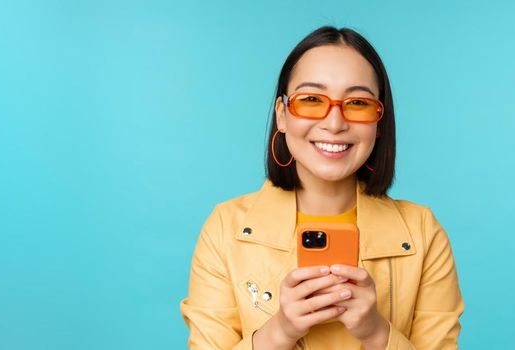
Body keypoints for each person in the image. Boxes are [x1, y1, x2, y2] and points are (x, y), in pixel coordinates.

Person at [179, 26, 464, 350]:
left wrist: (375, 332)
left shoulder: (422, 233)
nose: (334, 122)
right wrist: (280, 332)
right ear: (282, 115)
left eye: (357, 102)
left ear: (379, 122)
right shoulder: (225, 229)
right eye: (311, 99)